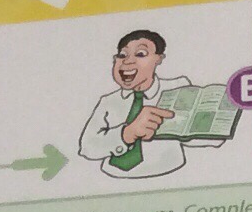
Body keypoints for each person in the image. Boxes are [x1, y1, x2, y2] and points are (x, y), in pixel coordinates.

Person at [78, 30, 221, 180]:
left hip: (170, 176)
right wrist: (127, 134)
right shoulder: (108, 101)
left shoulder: (177, 88)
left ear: (158, 59)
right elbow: (87, 147)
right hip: (112, 177)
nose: (128, 61)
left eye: (140, 54)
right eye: (122, 55)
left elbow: (205, 140)